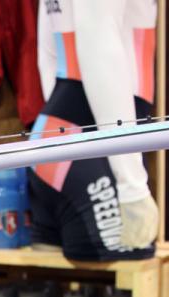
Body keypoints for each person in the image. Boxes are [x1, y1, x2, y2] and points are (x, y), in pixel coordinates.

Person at [30, 0, 158, 260]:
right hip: (90, 156)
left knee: (47, 281)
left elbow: (48, 54)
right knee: (124, 278)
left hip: (58, 139)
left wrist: (57, 139)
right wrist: (131, 184)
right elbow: (98, 44)